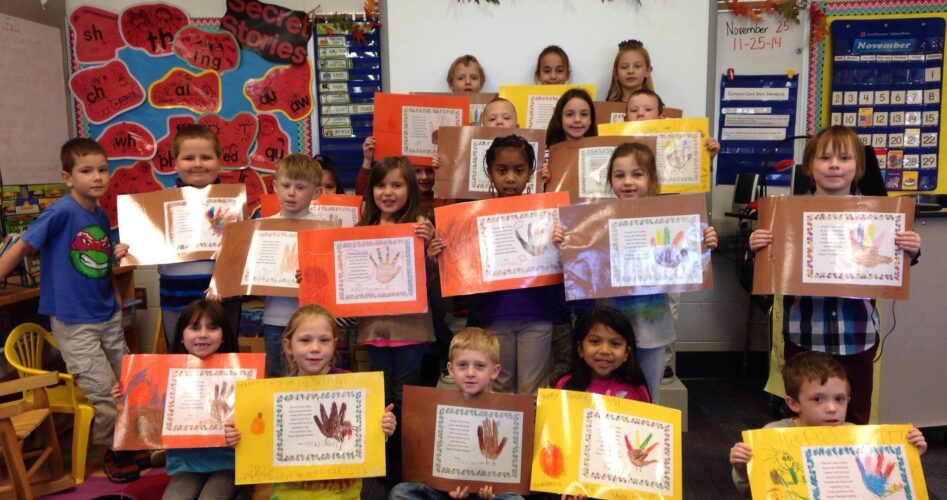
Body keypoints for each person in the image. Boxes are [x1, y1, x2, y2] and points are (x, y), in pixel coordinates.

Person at [749, 126, 922, 424]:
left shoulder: (881, 215)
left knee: (854, 416)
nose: (834, 165)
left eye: (844, 158)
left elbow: (892, 262)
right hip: (804, 334)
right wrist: (759, 248)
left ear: (858, 167)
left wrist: (911, 249)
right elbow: (776, 265)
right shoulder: (787, 214)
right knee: (804, 417)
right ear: (809, 166)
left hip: (856, 336)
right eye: (824, 158)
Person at [0, 138, 140, 482]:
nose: (97, 177)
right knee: (105, 392)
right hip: (75, 322)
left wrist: (115, 289)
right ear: (67, 177)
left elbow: (97, 260)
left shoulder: (100, 214)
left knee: (130, 381)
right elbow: (22, 246)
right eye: (87, 171)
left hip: (107, 314)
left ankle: (127, 439)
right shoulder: (60, 212)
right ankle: (111, 451)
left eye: (103, 170)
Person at [437, 135, 563, 395]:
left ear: (530, 172)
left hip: (537, 312)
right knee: (501, 386)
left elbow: (565, 260)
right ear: (490, 172)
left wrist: (561, 241)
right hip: (494, 313)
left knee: (533, 389)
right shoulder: (473, 215)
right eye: (502, 170)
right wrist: (440, 250)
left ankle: (531, 425)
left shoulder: (547, 212)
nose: (510, 178)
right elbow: (459, 263)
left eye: (519, 170)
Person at [600, 143, 717, 402]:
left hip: (651, 330)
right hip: (608, 330)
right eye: (619, 175)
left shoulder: (670, 217)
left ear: (652, 179)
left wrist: (703, 240)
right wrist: (566, 239)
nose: (628, 182)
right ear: (610, 180)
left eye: (637, 174)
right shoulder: (597, 220)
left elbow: (687, 256)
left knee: (648, 397)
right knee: (608, 394)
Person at [729, 351, 928, 495]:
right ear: (793, 403)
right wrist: (742, 467)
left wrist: (910, 454)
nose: (832, 408)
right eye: (818, 399)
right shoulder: (773, 434)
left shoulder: (857, 437)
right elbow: (751, 491)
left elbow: (883, 483)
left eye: (839, 399)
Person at [268, 304, 397, 499]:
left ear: (334, 344)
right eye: (305, 340)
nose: (315, 348)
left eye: (324, 340)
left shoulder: (352, 387)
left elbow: (368, 437)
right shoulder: (276, 396)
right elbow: (263, 442)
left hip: (341, 492)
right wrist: (240, 435)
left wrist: (384, 428)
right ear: (288, 346)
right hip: (291, 493)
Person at [121, 300, 247, 499]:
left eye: (212, 328)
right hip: (187, 465)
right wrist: (123, 394)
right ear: (181, 336)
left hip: (229, 464)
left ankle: (243, 493)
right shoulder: (165, 376)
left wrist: (240, 434)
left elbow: (256, 428)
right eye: (195, 328)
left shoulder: (242, 374)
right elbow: (146, 418)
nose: (203, 334)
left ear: (224, 336)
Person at [388, 328, 524, 500]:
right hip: (443, 492)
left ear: (494, 371)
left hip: (485, 494)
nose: (470, 373)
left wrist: (493, 491)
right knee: (401, 493)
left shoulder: (506, 414)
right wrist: (445, 486)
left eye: (480, 366)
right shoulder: (434, 408)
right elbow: (426, 461)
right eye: (462, 365)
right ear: (451, 370)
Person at [355, 157, 437, 408]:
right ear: (371, 190)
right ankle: (386, 436)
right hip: (375, 328)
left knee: (405, 394)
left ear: (410, 188)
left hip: (410, 328)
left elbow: (432, 281)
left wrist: (430, 247)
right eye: (380, 185)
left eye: (397, 185)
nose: (388, 192)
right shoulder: (361, 229)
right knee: (381, 394)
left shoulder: (421, 226)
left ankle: (403, 436)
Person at [157, 124, 240, 347]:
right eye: (188, 158)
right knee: (178, 359)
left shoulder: (234, 202)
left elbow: (240, 253)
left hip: (222, 298)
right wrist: (130, 250)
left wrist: (224, 283)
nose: (198, 164)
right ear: (175, 163)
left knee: (225, 359)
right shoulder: (160, 203)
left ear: (219, 162)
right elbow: (146, 246)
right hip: (176, 298)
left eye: (206, 157)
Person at [260, 154, 323, 377]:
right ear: (275, 187)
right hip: (275, 319)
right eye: (286, 186)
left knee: (312, 380)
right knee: (277, 381)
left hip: (314, 321)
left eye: (300, 187)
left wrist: (313, 276)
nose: (292, 193)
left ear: (317, 192)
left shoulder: (325, 230)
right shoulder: (262, 228)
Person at [555, 306, 650, 402]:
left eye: (615, 344)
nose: (605, 351)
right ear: (580, 349)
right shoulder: (564, 386)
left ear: (626, 353)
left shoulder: (637, 391)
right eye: (595, 341)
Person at [624, 88, 721, 156]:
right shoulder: (619, 146)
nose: (640, 113)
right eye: (634, 110)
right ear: (626, 120)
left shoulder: (677, 144)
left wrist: (707, 157)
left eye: (648, 109)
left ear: (661, 118)